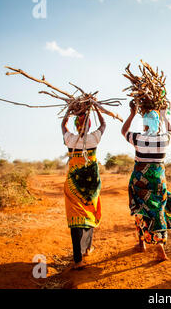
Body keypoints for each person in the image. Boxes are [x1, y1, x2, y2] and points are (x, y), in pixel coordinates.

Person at [121, 101, 171, 261]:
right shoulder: (164, 139)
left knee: (140, 209)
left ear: (144, 124)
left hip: (140, 182)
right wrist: (164, 115)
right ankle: (160, 247)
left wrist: (132, 113)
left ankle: (141, 243)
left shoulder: (138, 138)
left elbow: (124, 131)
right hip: (158, 181)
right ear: (157, 124)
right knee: (158, 211)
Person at [61, 106, 106, 269]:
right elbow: (104, 124)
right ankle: (87, 248)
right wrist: (96, 108)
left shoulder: (70, 139)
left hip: (74, 184)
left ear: (76, 125)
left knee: (76, 220)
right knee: (89, 213)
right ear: (88, 126)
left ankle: (78, 259)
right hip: (91, 184)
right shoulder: (94, 138)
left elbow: (62, 126)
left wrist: (68, 113)